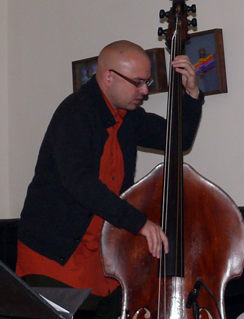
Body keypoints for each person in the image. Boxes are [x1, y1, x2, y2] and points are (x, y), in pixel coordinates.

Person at [16, 40, 203, 319]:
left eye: (147, 81)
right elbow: (80, 183)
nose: (145, 91)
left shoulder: (128, 116)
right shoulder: (75, 113)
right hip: (55, 259)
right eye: (138, 82)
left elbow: (179, 139)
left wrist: (191, 93)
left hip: (103, 259)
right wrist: (139, 222)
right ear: (108, 77)